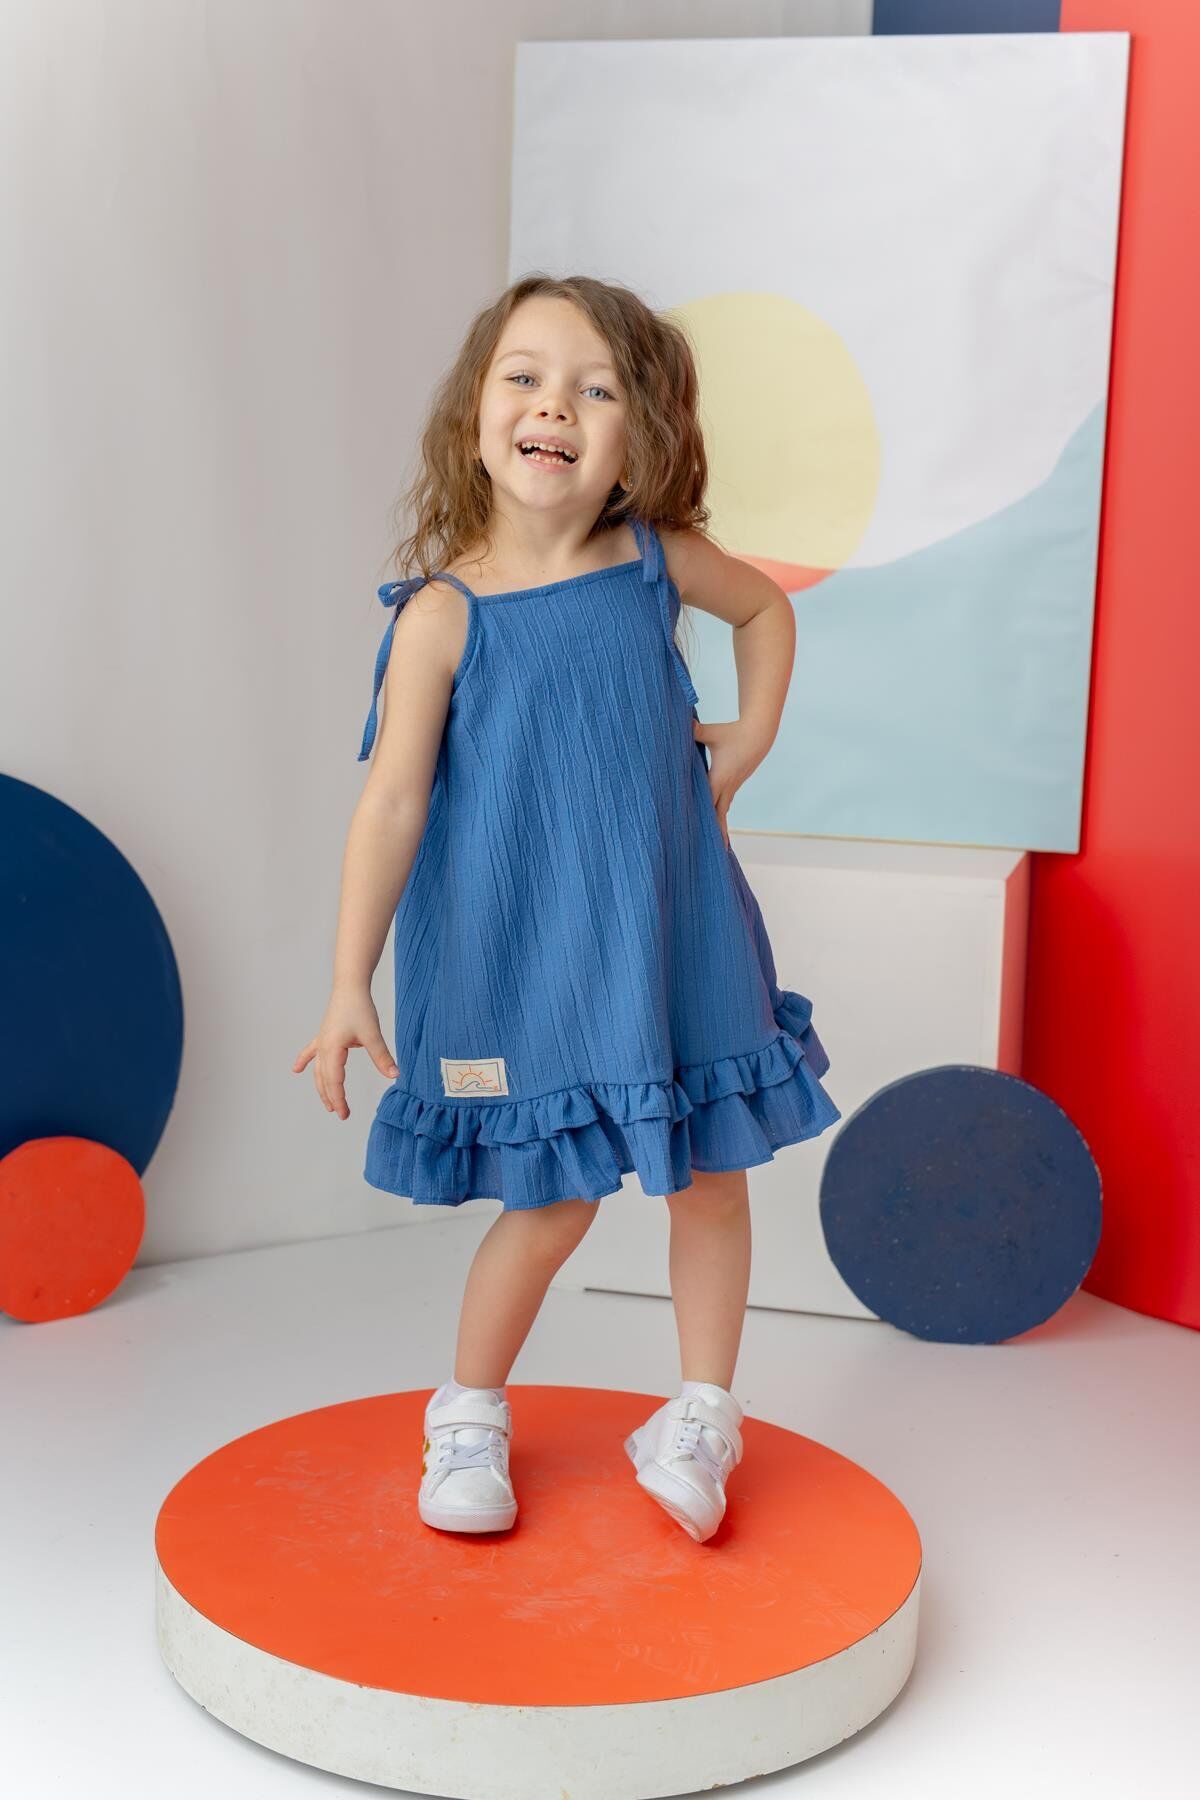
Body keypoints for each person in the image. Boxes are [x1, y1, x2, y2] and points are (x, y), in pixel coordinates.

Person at [293, 273, 841, 1545]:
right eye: (526, 378)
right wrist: (347, 981)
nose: (555, 407)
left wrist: (748, 737)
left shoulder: (652, 565)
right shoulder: (442, 617)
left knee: (712, 1178)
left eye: (595, 390)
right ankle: (469, 1413)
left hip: (673, 939)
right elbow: (391, 805)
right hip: (526, 959)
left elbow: (765, 606)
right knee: (551, 1202)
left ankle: (701, 1414)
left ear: (638, 437)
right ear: (476, 414)